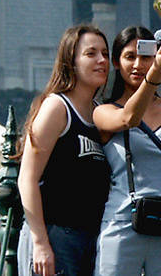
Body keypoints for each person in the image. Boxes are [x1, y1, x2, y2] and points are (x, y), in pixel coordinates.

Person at [93, 24, 161, 275]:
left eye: (146, 56)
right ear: (116, 62)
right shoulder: (104, 111)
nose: (138, 65)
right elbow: (128, 118)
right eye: (130, 56)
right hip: (123, 224)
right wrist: (156, 72)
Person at [17, 25, 111, 276]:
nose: (101, 60)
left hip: (91, 238)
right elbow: (27, 178)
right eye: (91, 53)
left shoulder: (100, 113)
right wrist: (40, 243)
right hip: (56, 236)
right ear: (71, 60)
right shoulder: (57, 108)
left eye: (105, 53)